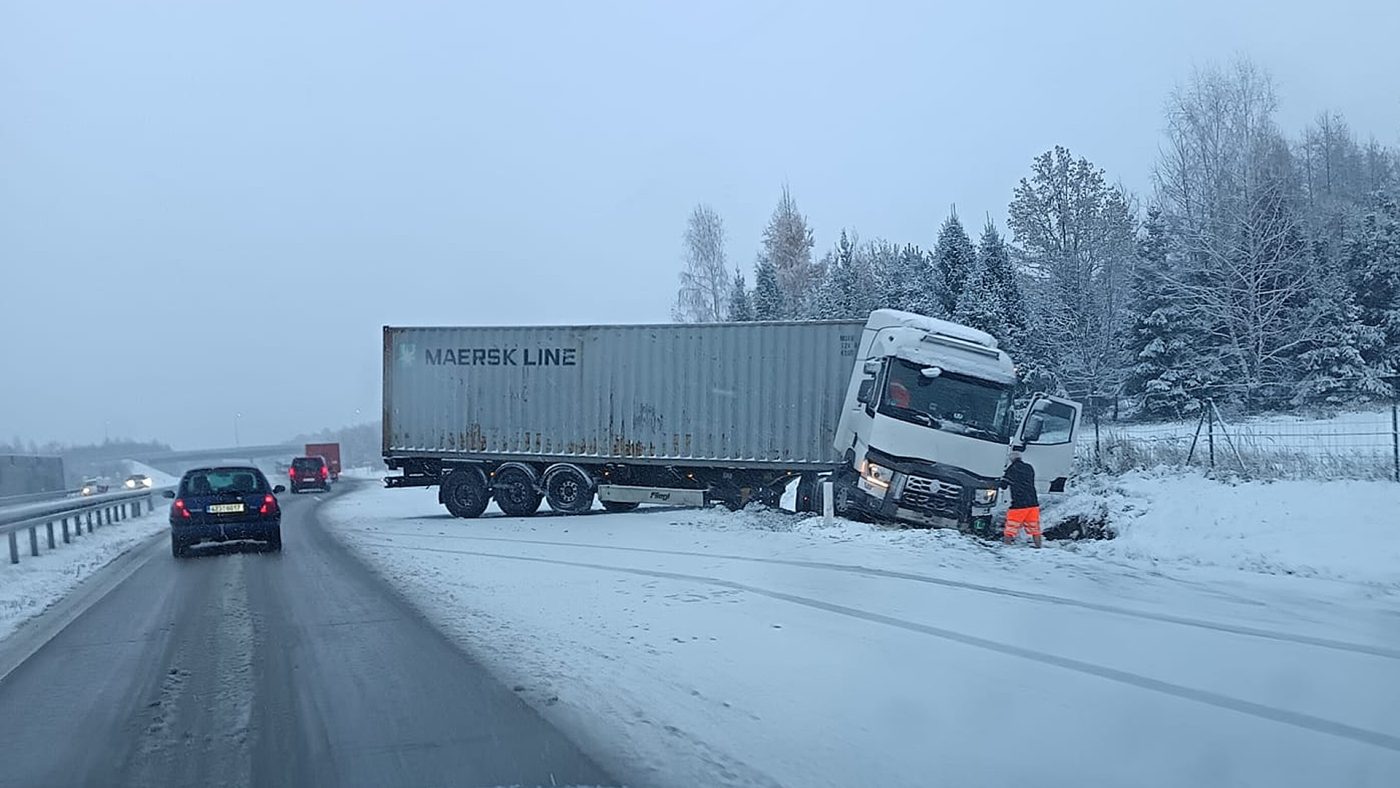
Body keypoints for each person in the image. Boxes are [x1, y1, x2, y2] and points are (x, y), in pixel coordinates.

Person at [1000, 446, 1041, 548]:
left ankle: (1006, 546)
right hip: (1033, 503)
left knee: (1010, 528)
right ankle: (1039, 546)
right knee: (1035, 528)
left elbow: (1003, 485)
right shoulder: (1029, 467)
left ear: (1011, 460)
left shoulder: (1012, 469)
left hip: (1019, 504)